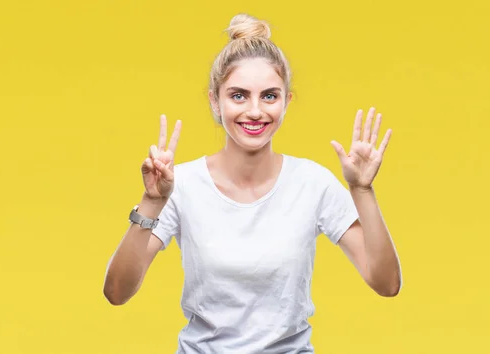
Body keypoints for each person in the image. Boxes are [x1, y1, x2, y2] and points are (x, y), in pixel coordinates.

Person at [103, 13, 402, 354]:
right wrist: (151, 202)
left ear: (287, 102)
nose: (256, 111)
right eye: (239, 96)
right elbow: (117, 292)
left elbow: (386, 283)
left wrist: (362, 191)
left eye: (270, 96)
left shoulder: (312, 182)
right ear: (215, 101)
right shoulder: (181, 184)